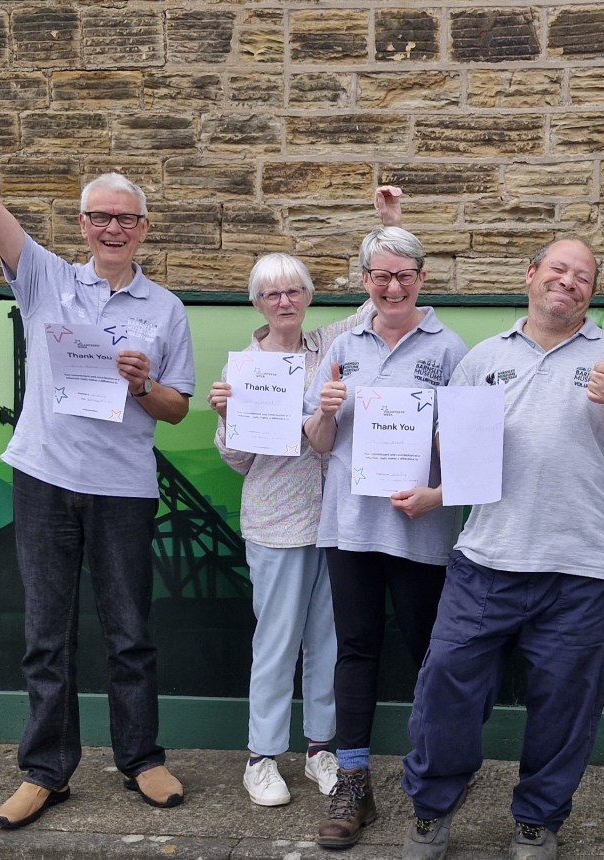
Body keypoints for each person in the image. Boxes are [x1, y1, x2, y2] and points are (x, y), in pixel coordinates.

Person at [0, 49, 194, 828]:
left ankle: (141, 759)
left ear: (143, 229)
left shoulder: (166, 310)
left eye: (125, 218)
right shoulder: (42, 277)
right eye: (98, 216)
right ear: (82, 225)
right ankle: (46, 768)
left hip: (124, 487)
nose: (111, 227)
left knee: (132, 633)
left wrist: (144, 383)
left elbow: (175, 411)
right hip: (43, 479)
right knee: (46, 634)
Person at [400, 237, 604, 860]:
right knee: (445, 686)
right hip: (486, 558)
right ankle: (433, 807)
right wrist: (429, 466)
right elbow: (461, 457)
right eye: (558, 270)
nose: (568, 283)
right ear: (531, 276)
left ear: (592, 293)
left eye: (583, 277)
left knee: (565, 704)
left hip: (585, 567)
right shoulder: (485, 357)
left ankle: (538, 821)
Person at [207, 188, 401, 808]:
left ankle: (320, 748)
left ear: (308, 298)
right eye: (272, 293)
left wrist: (387, 226)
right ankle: (263, 756)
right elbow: (237, 460)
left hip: (336, 522)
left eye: (294, 291)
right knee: (276, 640)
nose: (285, 301)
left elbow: (379, 297)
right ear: (257, 302)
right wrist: (230, 415)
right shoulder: (243, 368)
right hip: (275, 522)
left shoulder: (329, 347)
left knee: (330, 641)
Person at [303, 225, 467, 848]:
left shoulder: (449, 348)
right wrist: (324, 409)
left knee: (432, 652)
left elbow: (466, 445)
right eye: (381, 276)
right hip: (349, 527)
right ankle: (353, 779)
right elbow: (317, 443)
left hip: (419, 527)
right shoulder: (344, 345)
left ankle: (435, 772)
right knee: (356, 649)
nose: (393, 287)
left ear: (422, 279)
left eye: (404, 276)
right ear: (365, 280)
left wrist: (435, 483)